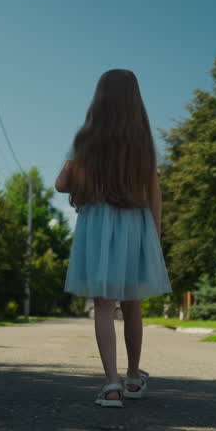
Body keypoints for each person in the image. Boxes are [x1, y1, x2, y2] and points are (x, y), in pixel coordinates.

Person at [56, 69, 172, 408]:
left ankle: (111, 384)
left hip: (97, 222)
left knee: (104, 305)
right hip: (135, 223)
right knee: (132, 303)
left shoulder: (85, 139)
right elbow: (154, 192)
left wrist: (82, 177)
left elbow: (62, 184)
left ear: (99, 98)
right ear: (135, 101)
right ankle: (134, 377)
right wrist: (155, 235)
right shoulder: (143, 143)